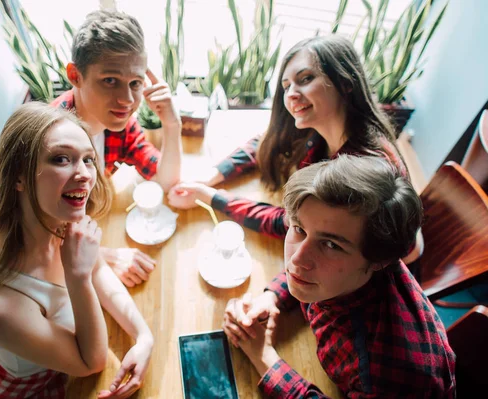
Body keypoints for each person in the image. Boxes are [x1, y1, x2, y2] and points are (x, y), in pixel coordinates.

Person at [167, 35, 422, 264]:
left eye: (306, 79)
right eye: (286, 85)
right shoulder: (322, 122)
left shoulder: (360, 170)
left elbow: (289, 224)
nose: (291, 94)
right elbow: (267, 141)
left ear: (345, 83)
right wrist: (214, 174)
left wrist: (210, 196)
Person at [222, 155, 456, 398]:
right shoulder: (354, 266)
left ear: (379, 261)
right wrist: (271, 297)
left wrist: (264, 356)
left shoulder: (383, 374)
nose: (296, 260)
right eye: (299, 229)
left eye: (331, 245)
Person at [0, 103, 153, 399]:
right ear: (18, 176)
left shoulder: (57, 214)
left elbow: (98, 269)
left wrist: (143, 336)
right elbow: (90, 362)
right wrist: (78, 277)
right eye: (61, 159)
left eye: (88, 159)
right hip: (24, 388)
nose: (84, 175)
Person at [52, 10, 183, 287]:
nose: (126, 100)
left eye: (135, 83)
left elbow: (166, 181)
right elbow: (34, 235)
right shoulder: (48, 144)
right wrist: (104, 257)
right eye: (110, 80)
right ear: (75, 75)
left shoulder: (117, 125)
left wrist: (172, 125)